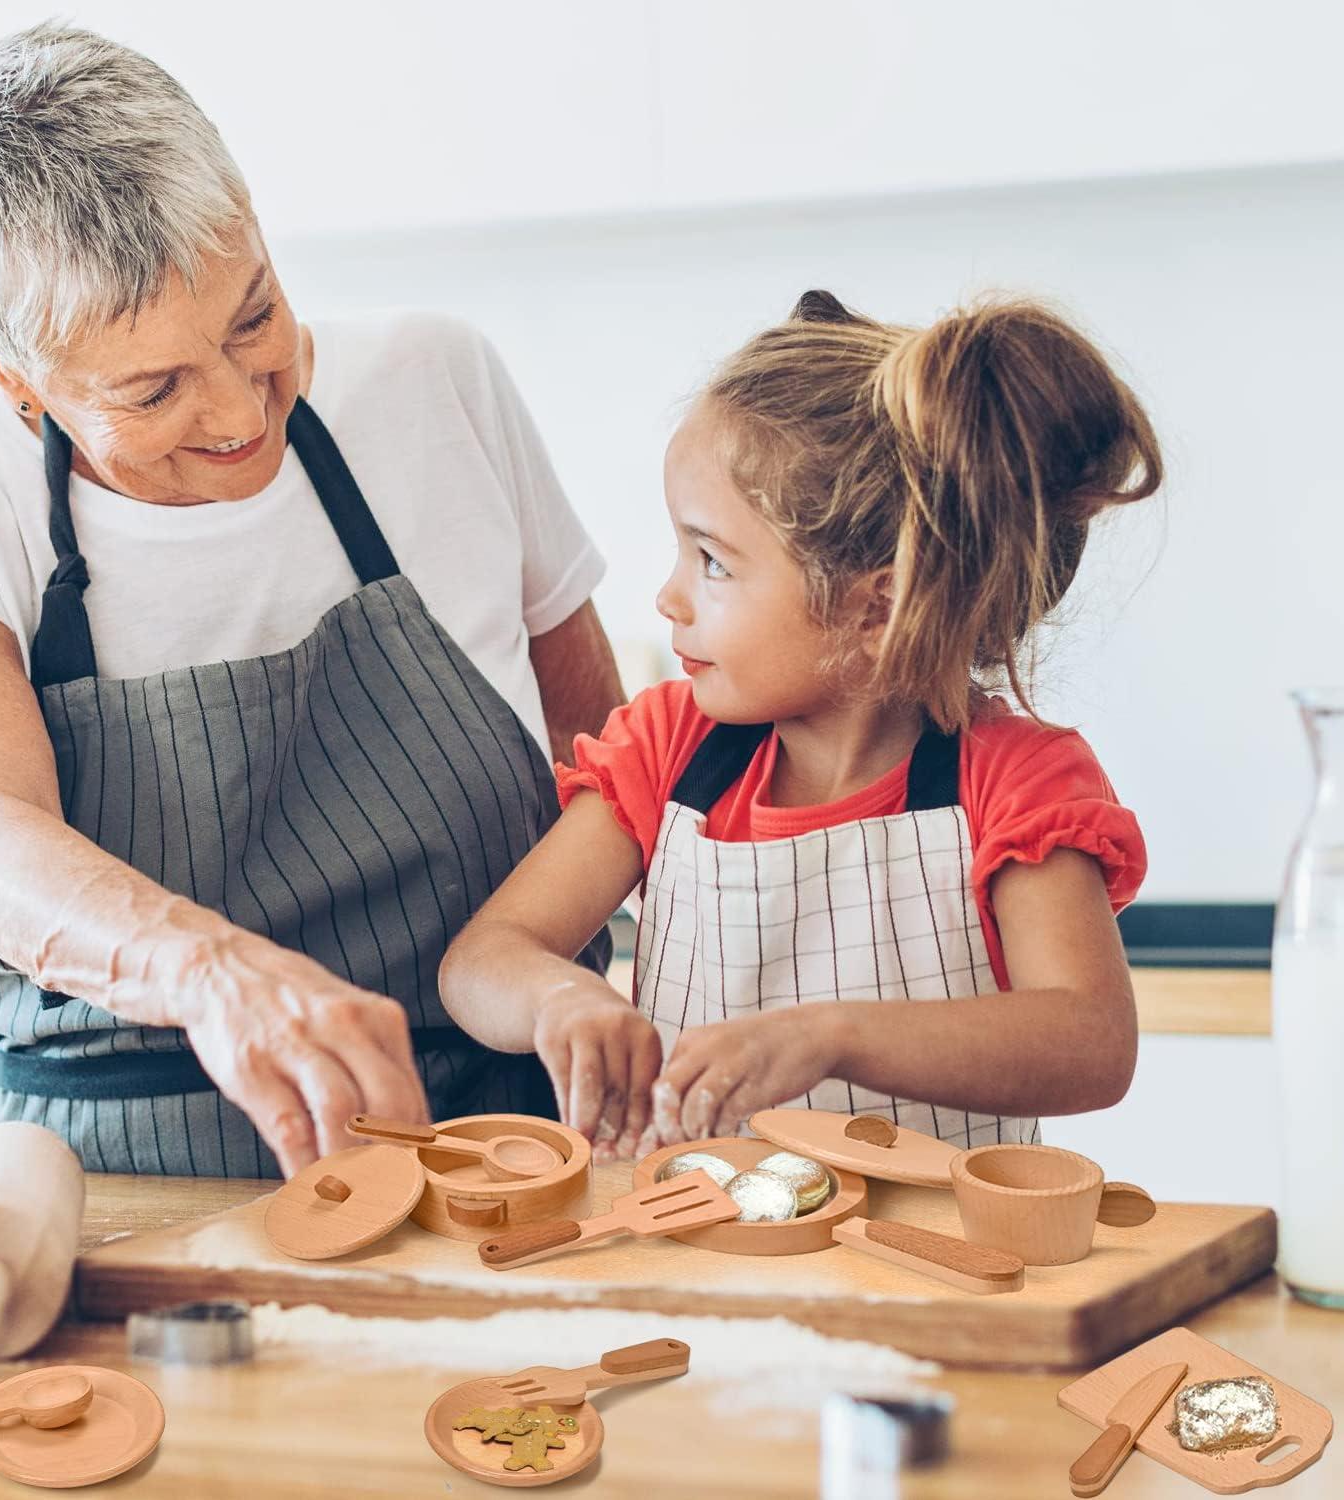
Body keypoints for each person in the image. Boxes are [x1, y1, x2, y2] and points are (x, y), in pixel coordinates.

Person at [0, 23, 620, 1178]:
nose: (239, 413)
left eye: (255, 318)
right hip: (116, 1176)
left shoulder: (435, 380)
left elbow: (607, 759)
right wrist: (216, 977)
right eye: (153, 388)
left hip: (513, 1148)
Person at [439, 289, 1160, 1163]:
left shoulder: (1013, 783)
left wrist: (833, 1036)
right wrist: (559, 1000)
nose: (668, 596)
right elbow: (480, 960)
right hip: (690, 1251)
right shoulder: (669, 751)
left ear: (876, 606)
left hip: (928, 1270)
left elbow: (1091, 1043)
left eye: (712, 562)